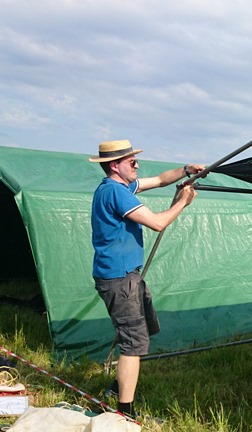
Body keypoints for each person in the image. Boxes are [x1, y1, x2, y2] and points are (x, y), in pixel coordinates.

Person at [89, 139, 205, 419]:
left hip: (127, 276)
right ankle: (124, 413)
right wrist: (182, 203)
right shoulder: (116, 193)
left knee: (139, 333)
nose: (137, 164)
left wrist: (187, 170)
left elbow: (161, 179)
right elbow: (157, 222)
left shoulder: (120, 186)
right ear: (114, 166)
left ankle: (118, 388)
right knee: (133, 344)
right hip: (120, 279)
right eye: (131, 161)